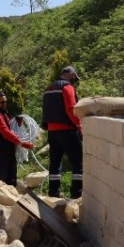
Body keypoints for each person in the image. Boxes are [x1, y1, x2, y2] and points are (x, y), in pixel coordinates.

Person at [42, 65, 83, 198]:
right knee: (78, 163)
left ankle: (53, 192)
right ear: (71, 75)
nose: (74, 82)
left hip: (52, 132)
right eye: (74, 79)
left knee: (55, 163)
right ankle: (76, 194)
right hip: (67, 131)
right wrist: (80, 126)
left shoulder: (48, 89)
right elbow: (71, 108)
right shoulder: (67, 87)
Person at [0, 92, 34, 186]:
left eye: (5, 102)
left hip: (8, 151)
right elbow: (6, 133)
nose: (4, 104)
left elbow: (11, 128)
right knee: (3, 181)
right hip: (0, 152)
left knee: (12, 180)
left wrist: (18, 123)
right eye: (2, 102)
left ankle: (11, 199)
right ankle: (3, 200)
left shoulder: (4, 114)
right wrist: (22, 143)